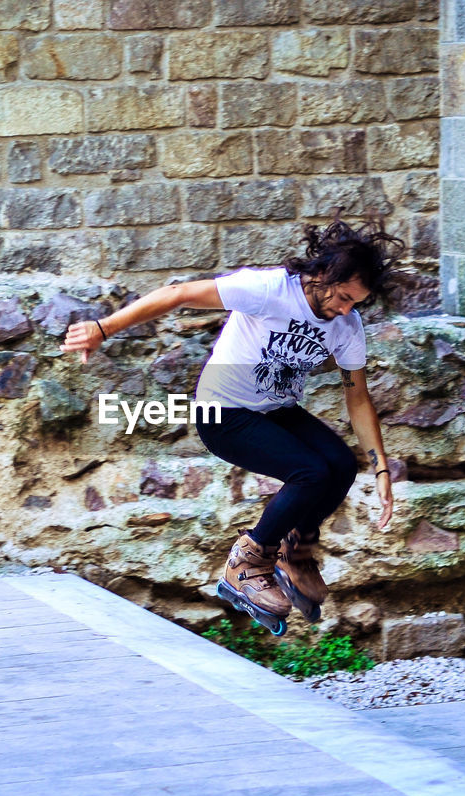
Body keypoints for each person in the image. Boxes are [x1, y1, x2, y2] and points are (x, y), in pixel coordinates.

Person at [61, 217, 403, 635]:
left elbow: (358, 397)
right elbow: (179, 294)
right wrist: (102, 328)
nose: (347, 310)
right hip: (222, 412)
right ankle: (246, 562)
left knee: (341, 465)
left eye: (357, 303)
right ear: (323, 275)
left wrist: (381, 468)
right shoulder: (268, 290)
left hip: (275, 408)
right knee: (310, 473)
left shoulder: (347, 326)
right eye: (345, 297)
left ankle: (293, 553)